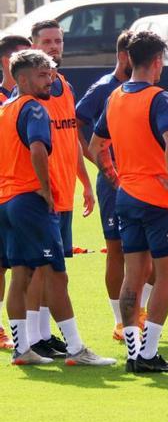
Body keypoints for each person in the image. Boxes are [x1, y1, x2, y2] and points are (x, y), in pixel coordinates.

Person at [2, 49, 114, 367]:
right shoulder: (35, 109)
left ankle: (22, 349)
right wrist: (45, 188)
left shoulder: (5, 109)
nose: (49, 79)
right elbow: (38, 148)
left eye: (49, 74)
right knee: (57, 277)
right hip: (30, 201)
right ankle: (76, 349)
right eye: (41, 75)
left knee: (21, 275)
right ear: (21, 79)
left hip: (7, 201)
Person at [89, 30, 168, 373]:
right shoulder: (159, 97)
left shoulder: (114, 96)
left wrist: (116, 176)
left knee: (133, 274)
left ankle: (133, 351)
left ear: (129, 59)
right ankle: (149, 353)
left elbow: (95, 146)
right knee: (167, 276)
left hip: (127, 197)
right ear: (157, 61)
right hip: (158, 199)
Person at [76, 31, 154, 343]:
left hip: (146, 181)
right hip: (113, 183)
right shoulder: (104, 89)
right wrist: (94, 157)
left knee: (155, 254)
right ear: (124, 56)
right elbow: (77, 121)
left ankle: (140, 310)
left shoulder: (147, 87)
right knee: (117, 251)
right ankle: (120, 321)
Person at [29, 19, 95, 357]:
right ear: (33, 44)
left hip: (64, 192)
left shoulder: (65, 86)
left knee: (54, 267)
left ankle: (42, 335)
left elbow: (70, 139)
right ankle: (35, 336)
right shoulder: (28, 96)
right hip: (41, 193)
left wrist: (85, 182)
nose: (54, 47)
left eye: (58, 41)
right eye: (47, 41)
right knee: (43, 268)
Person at [0, 34, 30, 351]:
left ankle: (30, 334)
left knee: (24, 266)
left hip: (17, 194)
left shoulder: (26, 101)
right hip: (6, 192)